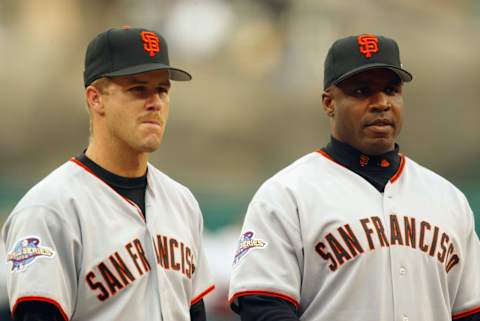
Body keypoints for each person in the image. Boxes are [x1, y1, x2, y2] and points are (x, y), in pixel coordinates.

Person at [228, 34, 480, 321]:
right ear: (328, 103)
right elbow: (263, 307)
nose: (381, 103)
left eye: (391, 89)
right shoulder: (286, 194)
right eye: (362, 91)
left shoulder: (448, 199)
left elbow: (470, 310)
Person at [1, 27, 215, 321]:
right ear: (95, 98)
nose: (155, 102)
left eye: (162, 90)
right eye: (138, 88)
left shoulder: (182, 202)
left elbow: (195, 311)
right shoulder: (49, 208)